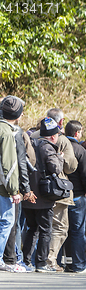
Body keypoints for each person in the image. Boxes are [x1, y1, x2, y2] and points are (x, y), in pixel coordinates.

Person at [30, 108, 78, 271]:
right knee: (59, 227)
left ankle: (31, 259)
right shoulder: (61, 139)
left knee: (33, 227)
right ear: (61, 122)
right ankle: (49, 260)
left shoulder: (32, 136)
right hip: (55, 189)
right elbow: (70, 166)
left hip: (33, 188)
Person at [22, 117, 64, 272]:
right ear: (53, 136)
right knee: (46, 230)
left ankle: (26, 261)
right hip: (44, 196)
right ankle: (41, 263)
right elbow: (56, 168)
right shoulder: (48, 148)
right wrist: (60, 157)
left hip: (29, 193)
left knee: (31, 228)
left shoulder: (31, 144)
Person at [1, 96, 36, 273]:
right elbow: (15, 164)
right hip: (6, 187)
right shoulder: (12, 133)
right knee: (9, 222)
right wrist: (22, 189)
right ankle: (10, 259)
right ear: (19, 115)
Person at [64, 120, 86, 274]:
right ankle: (78, 265)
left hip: (60, 196)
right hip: (77, 196)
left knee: (62, 230)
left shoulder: (59, 146)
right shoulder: (80, 150)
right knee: (77, 231)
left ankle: (65, 262)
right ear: (77, 133)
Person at [0, 97, 23, 271]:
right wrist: (14, 190)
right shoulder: (7, 133)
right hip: (2, 187)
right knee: (7, 221)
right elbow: (8, 165)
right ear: (18, 115)